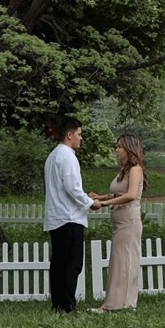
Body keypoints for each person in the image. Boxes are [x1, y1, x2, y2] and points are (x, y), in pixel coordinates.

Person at [42, 115, 98, 314]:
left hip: (56, 217)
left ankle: (58, 304)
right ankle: (67, 306)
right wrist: (90, 203)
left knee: (58, 264)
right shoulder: (67, 156)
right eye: (79, 134)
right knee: (71, 265)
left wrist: (85, 196)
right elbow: (72, 188)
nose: (81, 138)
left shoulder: (53, 156)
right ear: (69, 135)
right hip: (69, 218)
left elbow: (64, 187)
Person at [92, 133, 146, 312]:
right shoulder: (124, 170)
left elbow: (130, 195)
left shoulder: (135, 169)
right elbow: (118, 194)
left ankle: (117, 304)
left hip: (129, 221)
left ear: (129, 149)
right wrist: (101, 197)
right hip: (119, 223)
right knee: (119, 262)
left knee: (124, 262)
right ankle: (121, 302)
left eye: (119, 147)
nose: (116, 150)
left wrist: (105, 203)